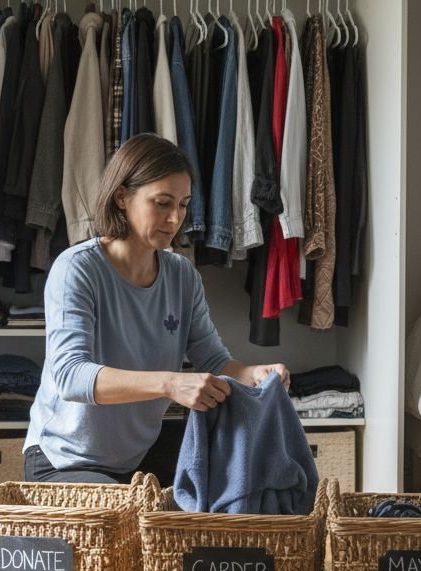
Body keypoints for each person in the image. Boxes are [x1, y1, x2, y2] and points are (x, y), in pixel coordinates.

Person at [23, 134, 289, 484]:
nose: (175, 218)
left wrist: (256, 374)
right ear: (122, 197)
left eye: (183, 204)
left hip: (134, 457)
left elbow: (213, 361)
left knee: (241, 480)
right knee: (126, 525)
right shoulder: (77, 269)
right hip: (63, 458)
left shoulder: (182, 276)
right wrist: (169, 383)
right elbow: (72, 377)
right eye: (162, 203)